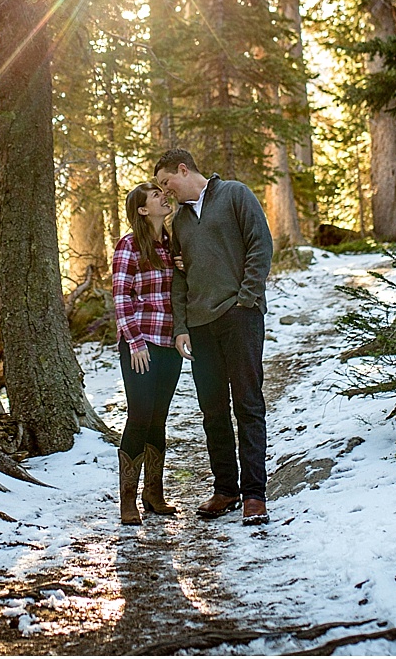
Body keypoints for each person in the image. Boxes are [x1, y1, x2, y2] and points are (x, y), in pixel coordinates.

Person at [154, 148, 273, 526]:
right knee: (213, 411)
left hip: (240, 318)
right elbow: (180, 278)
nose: (165, 191)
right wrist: (182, 326)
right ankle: (226, 489)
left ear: (183, 169)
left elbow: (260, 245)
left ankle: (255, 494)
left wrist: (246, 299)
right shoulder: (181, 224)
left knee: (248, 405)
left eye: (166, 182)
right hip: (201, 327)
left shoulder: (235, 194)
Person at [110, 182, 183, 525]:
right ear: (142, 210)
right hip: (141, 344)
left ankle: (154, 494)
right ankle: (127, 502)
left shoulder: (171, 244)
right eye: (155, 195)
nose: (163, 197)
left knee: (158, 417)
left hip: (170, 344)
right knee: (140, 415)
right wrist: (135, 342)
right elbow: (122, 296)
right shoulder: (130, 245)